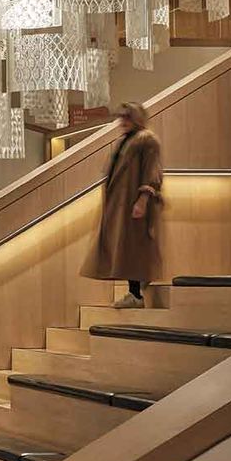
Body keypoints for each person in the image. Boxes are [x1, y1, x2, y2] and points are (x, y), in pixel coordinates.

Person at [81, 102, 163, 309]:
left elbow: (152, 171)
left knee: (133, 247)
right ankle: (135, 290)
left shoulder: (146, 139)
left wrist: (143, 200)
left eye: (127, 116)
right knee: (127, 249)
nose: (122, 121)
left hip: (134, 203)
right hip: (122, 204)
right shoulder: (128, 140)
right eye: (121, 116)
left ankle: (136, 293)